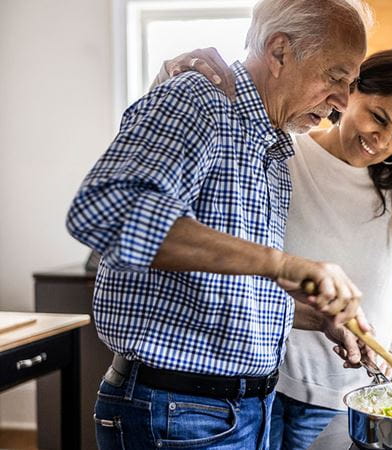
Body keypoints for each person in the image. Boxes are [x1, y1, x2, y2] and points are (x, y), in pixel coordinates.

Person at [65, 0, 375, 448]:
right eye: (335, 77)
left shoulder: (271, 145)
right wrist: (284, 265)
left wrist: (316, 317)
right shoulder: (199, 99)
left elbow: (222, 293)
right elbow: (107, 210)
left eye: (350, 84)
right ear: (280, 51)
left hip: (242, 409)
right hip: (180, 412)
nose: (343, 102)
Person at [158, 46, 392, 449]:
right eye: (378, 117)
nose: (381, 140)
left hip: (352, 393)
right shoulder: (285, 153)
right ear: (349, 92)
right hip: (264, 384)